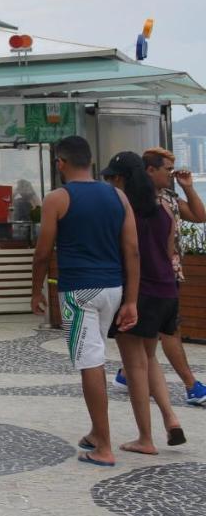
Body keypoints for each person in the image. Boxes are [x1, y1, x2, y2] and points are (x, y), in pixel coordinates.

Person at [32, 135, 138, 468]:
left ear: (61, 163)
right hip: (114, 289)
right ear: (91, 161)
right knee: (96, 355)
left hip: (79, 291)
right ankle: (96, 431)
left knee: (89, 363)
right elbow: (132, 250)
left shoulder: (57, 199)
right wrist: (131, 300)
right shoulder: (117, 196)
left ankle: (104, 447)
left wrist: (36, 290)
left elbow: (43, 252)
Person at [100, 152, 187, 452]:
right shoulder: (164, 208)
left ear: (121, 179)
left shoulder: (123, 211)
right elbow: (169, 249)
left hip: (140, 293)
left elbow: (125, 253)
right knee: (150, 359)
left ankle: (146, 439)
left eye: (112, 177)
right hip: (167, 290)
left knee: (134, 366)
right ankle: (171, 418)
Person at [113, 148, 206, 406]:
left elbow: (200, 216)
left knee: (150, 337)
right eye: (167, 169)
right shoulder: (132, 202)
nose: (171, 174)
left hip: (167, 275)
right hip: (149, 279)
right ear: (150, 170)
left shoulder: (169, 198)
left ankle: (124, 374)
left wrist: (188, 187)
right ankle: (191, 386)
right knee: (168, 333)